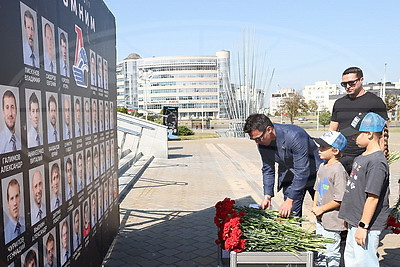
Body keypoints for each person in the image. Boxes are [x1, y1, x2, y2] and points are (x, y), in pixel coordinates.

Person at [243, 114, 323, 217]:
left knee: (323, 212)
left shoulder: (295, 135)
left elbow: (302, 171)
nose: (257, 143)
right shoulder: (262, 144)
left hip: (314, 174)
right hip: (291, 176)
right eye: (254, 140)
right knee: (291, 216)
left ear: (269, 130)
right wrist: (267, 196)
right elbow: (268, 169)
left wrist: (290, 200)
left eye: (258, 138)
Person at [338, 112, 390, 267]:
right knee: (352, 260)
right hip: (356, 221)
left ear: (369, 134)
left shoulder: (377, 162)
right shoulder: (361, 157)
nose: (353, 138)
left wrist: (363, 226)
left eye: (356, 134)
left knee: (364, 262)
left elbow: (373, 198)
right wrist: (351, 218)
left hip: (367, 225)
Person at [329, 67, 388, 174]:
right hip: (342, 155)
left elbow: (384, 132)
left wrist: (380, 155)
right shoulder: (339, 103)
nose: (348, 86)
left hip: (364, 155)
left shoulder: (375, 102)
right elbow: (332, 130)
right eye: (344, 84)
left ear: (361, 80)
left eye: (351, 83)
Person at [311, 131, 348, 267]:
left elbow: (340, 198)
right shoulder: (322, 166)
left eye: (323, 147)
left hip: (332, 220)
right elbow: (317, 188)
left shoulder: (338, 170)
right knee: (320, 248)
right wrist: (315, 206)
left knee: (331, 251)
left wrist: (321, 209)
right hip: (320, 218)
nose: (319, 149)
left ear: (335, 150)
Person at [4, 178, 25, 243]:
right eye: (12, 198)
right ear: (8, 203)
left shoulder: (26, 222)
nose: (15, 203)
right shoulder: (5, 234)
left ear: (20, 198)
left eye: (17, 196)